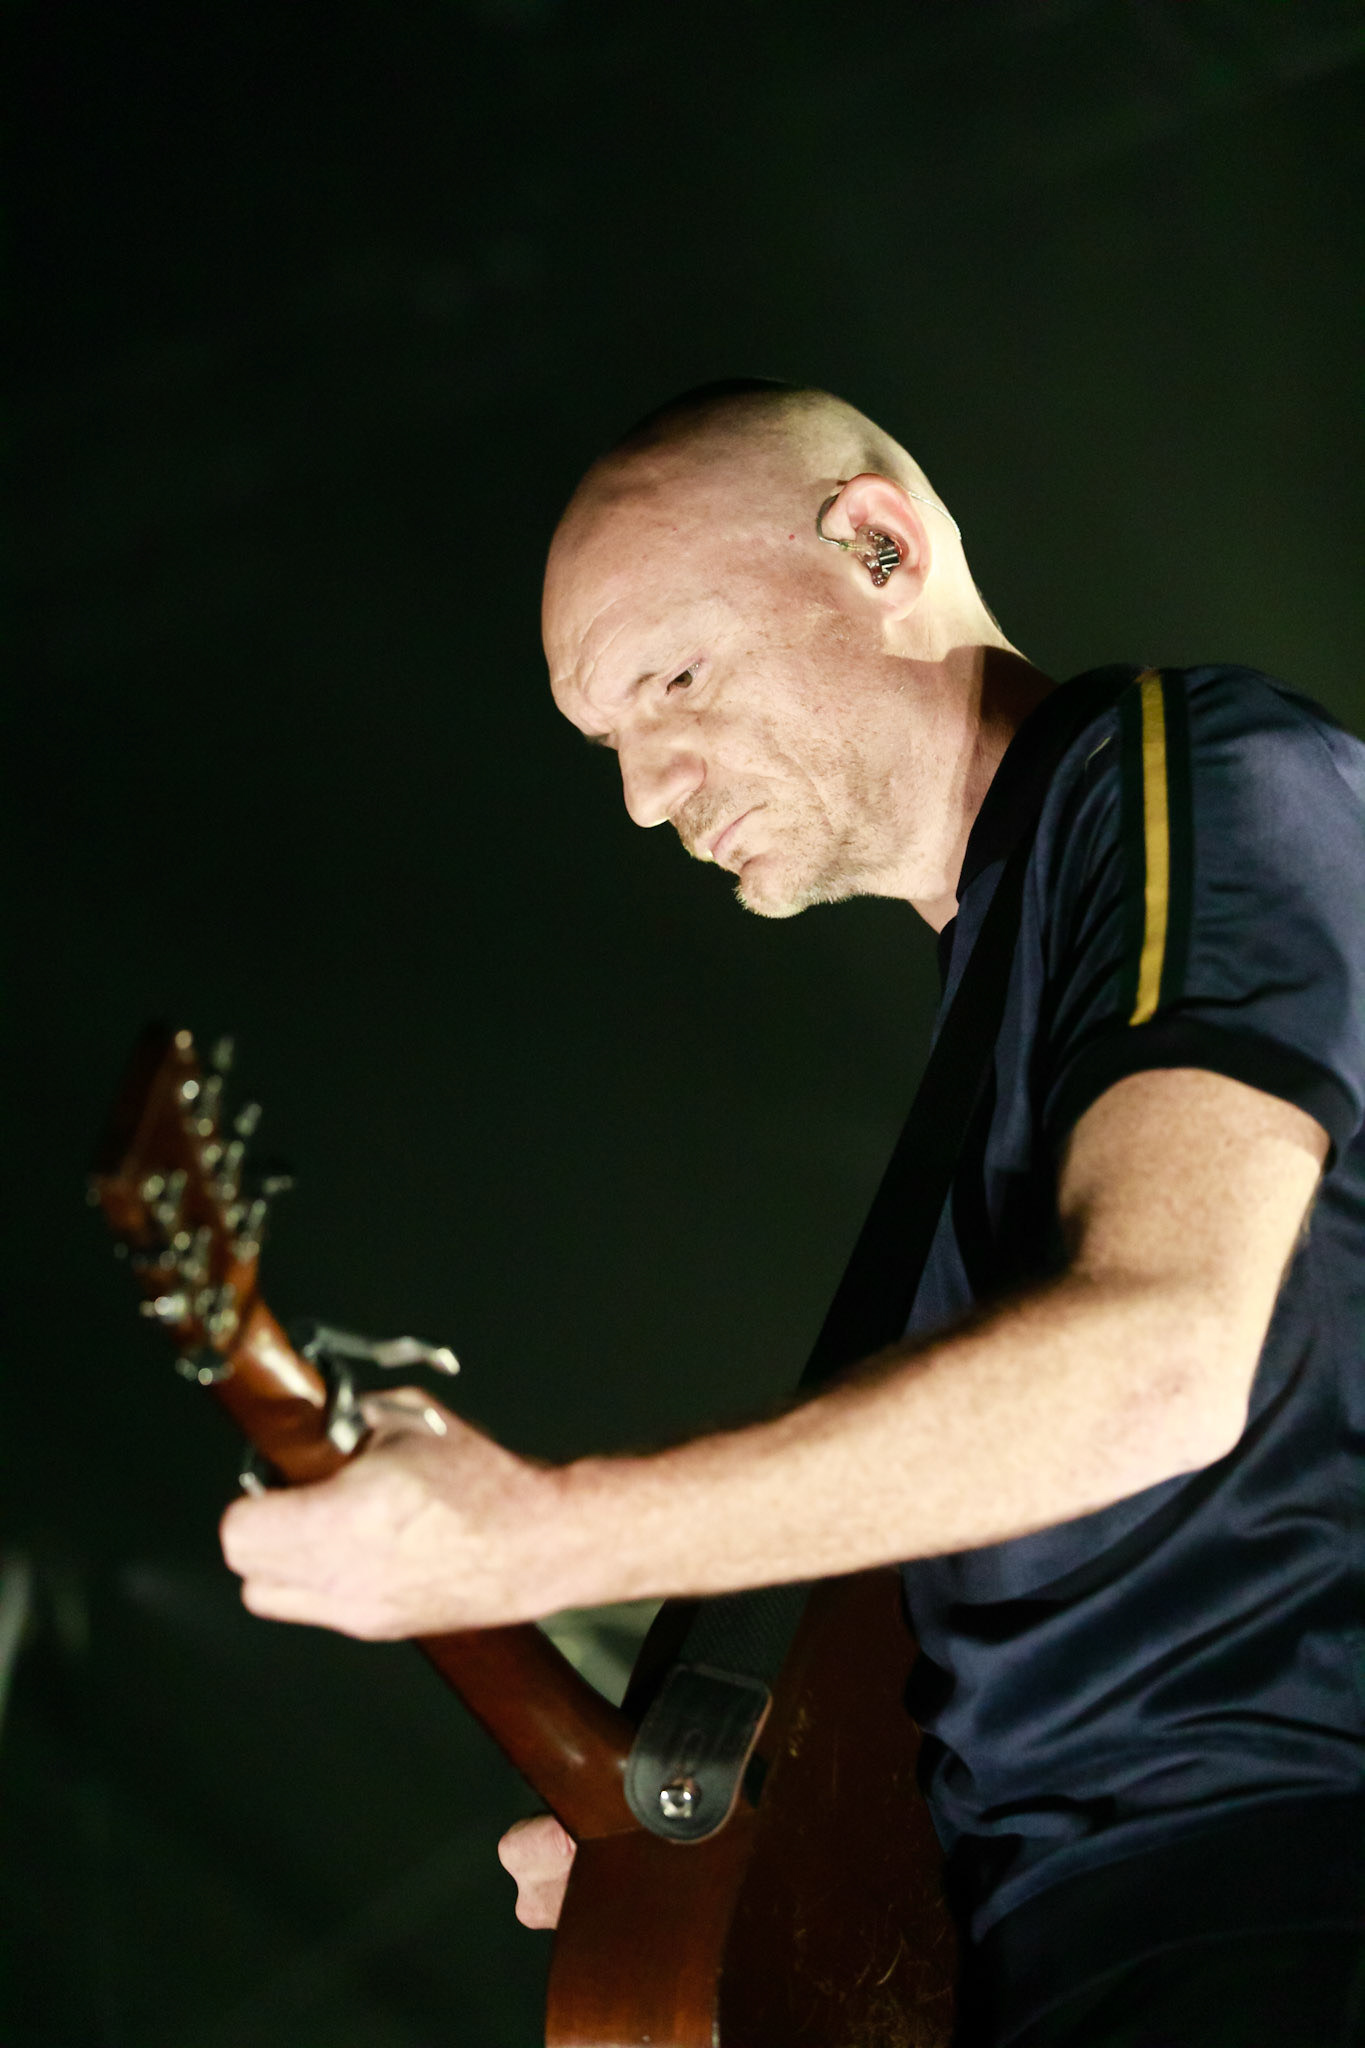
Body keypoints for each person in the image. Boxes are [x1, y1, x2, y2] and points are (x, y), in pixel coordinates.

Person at [220, 383, 1365, 2045]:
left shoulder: (1186, 774)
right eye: (604, 740)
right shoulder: (1005, 1003)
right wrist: (749, 1841)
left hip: (1276, 1890)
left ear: (879, 547)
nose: (641, 788)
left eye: (670, 681)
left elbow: (1160, 1361)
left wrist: (540, 1531)